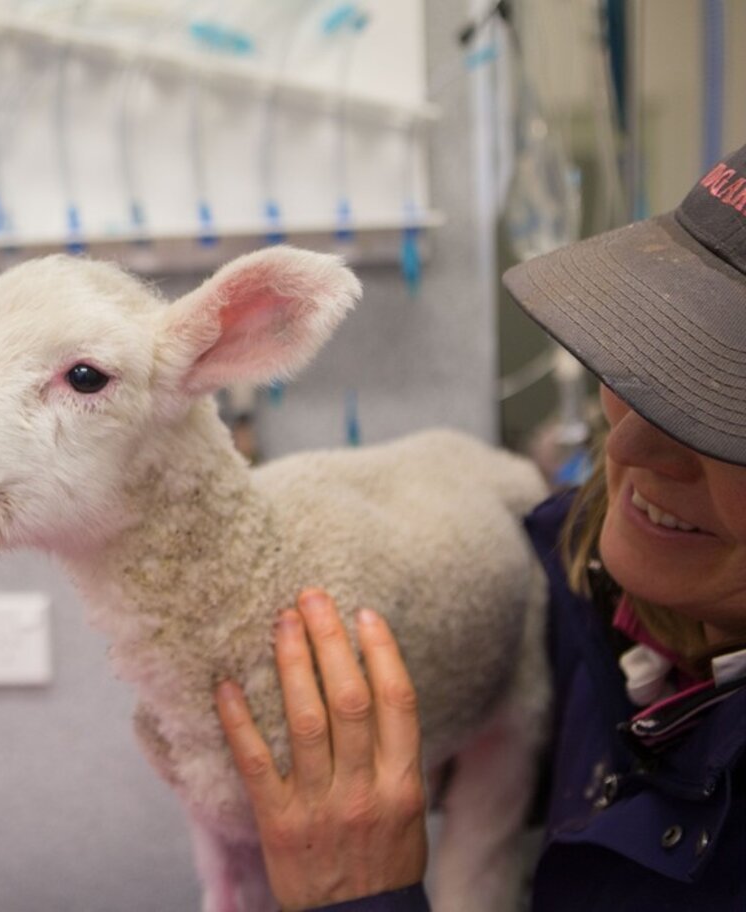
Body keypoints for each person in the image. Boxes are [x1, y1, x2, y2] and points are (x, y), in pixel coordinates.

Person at [215, 141, 746, 910]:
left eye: (721, 415)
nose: (627, 445)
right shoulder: (581, 574)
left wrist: (362, 897)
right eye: (653, 364)